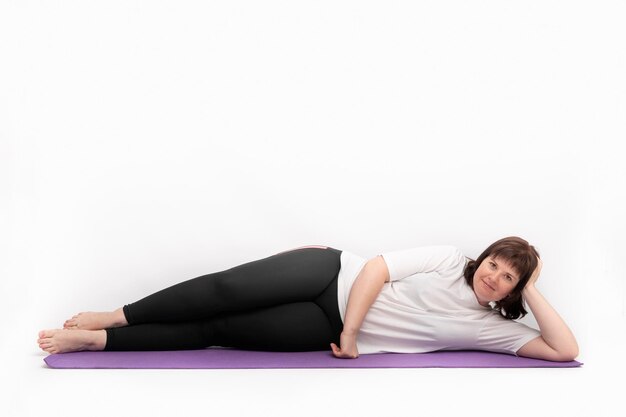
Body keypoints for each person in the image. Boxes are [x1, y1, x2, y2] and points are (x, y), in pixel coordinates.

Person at [37, 237, 579, 361]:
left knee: (219, 332)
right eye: (495, 264)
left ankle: (97, 339)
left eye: (510, 278)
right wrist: (349, 336)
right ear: (481, 259)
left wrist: (535, 287)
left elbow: (563, 351)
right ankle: (116, 313)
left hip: (320, 323)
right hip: (329, 272)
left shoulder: (492, 329)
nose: (495, 277)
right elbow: (374, 267)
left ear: (514, 290)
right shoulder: (446, 259)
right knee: (222, 289)